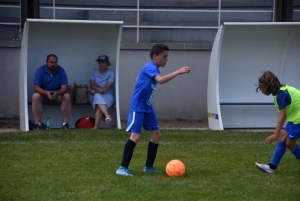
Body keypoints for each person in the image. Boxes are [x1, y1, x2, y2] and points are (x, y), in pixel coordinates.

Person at [116, 44, 190, 176]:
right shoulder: (150, 67)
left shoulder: (154, 68)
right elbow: (160, 80)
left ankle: (148, 166)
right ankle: (122, 168)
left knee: (156, 135)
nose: (166, 60)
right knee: (135, 136)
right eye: (164, 57)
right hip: (138, 106)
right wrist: (178, 71)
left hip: (147, 107)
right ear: (155, 57)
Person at [255, 71, 300, 174]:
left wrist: (275, 133)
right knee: (283, 137)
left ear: (269, 86)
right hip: (296, 118)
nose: (261, 90)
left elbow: (283, 115)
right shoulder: (281, 91)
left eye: (263, 87)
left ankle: (272, 167)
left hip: (298, 119)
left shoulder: (281, 94)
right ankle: (272, 167)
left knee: (290, 143)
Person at [32, 54, 71, 130]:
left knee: (67, 96)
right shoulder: (40, 70)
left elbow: (65, 88)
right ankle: (37, 124)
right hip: (43, 95)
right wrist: (46, 93)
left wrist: (57, 93)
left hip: (57, 95)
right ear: (46, 62)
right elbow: (36, 88)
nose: (53, 64)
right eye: (51, 62)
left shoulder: (61, 70)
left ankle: (65, 124)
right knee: (35, 96)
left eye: (55, 62)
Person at [89, 54, 115, 130]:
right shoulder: (94, 71)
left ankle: (96, 127)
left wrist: (96, 91)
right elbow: (91, 84)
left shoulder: (111, 73)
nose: (100, 64)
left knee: (98, 104)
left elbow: (106, 89)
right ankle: (107, 115)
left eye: (102, 62)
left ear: (107, 63)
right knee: (97, 97)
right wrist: (97, 90)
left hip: (108, 95)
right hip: (94, 95)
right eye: (99, 62)